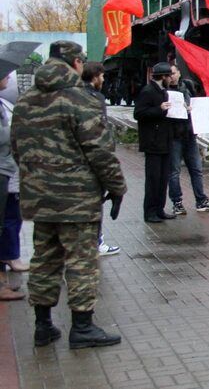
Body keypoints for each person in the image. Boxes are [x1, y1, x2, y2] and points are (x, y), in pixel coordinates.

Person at [10, 40, 126, 348]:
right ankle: (82, 327)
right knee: (81, 261)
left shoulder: (25, 101)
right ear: (76, 63)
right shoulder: (81, 100)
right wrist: (117, 187)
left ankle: (43, 326)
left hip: (39, 197)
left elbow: (17, 148)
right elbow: (100, 151)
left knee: (44, 260)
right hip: (77, 198)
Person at [167, 66, 209, 214]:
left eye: (174, 73)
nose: (172, 76)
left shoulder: (188, 86)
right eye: (169, 74)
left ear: (179, 73)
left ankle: (201, 200)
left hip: (189, 133)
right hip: (174, 135)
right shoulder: (164, 91)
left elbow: (200, 100)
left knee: (196, 169)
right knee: (174, 171)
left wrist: (194, 109)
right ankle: (177, 202)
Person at [80, 62, 120, 256]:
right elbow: (99, 139)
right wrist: (115, 182)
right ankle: (97, 242)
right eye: (102, 76)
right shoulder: (95, 98)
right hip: (91, 166)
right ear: (95, 76)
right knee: (93, 207)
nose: (103, 79)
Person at [134, 63, 177, 223]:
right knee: (153, 178)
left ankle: (159, 209)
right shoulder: (148, 91)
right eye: (169, 76)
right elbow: (138, 113)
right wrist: (159, 109)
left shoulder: (163, 92)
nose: (171, 78)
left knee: (163, 178)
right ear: (163, 77)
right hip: (152, 142)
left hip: (164, 140)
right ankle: (150, 211)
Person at [0, 72, 25, 300]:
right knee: (5, 221)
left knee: (11, 217)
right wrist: (17, 130)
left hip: (8, 170)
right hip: (2, 170)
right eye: (6, 75)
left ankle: (4, 276)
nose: (9, 79)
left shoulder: (4, 103)